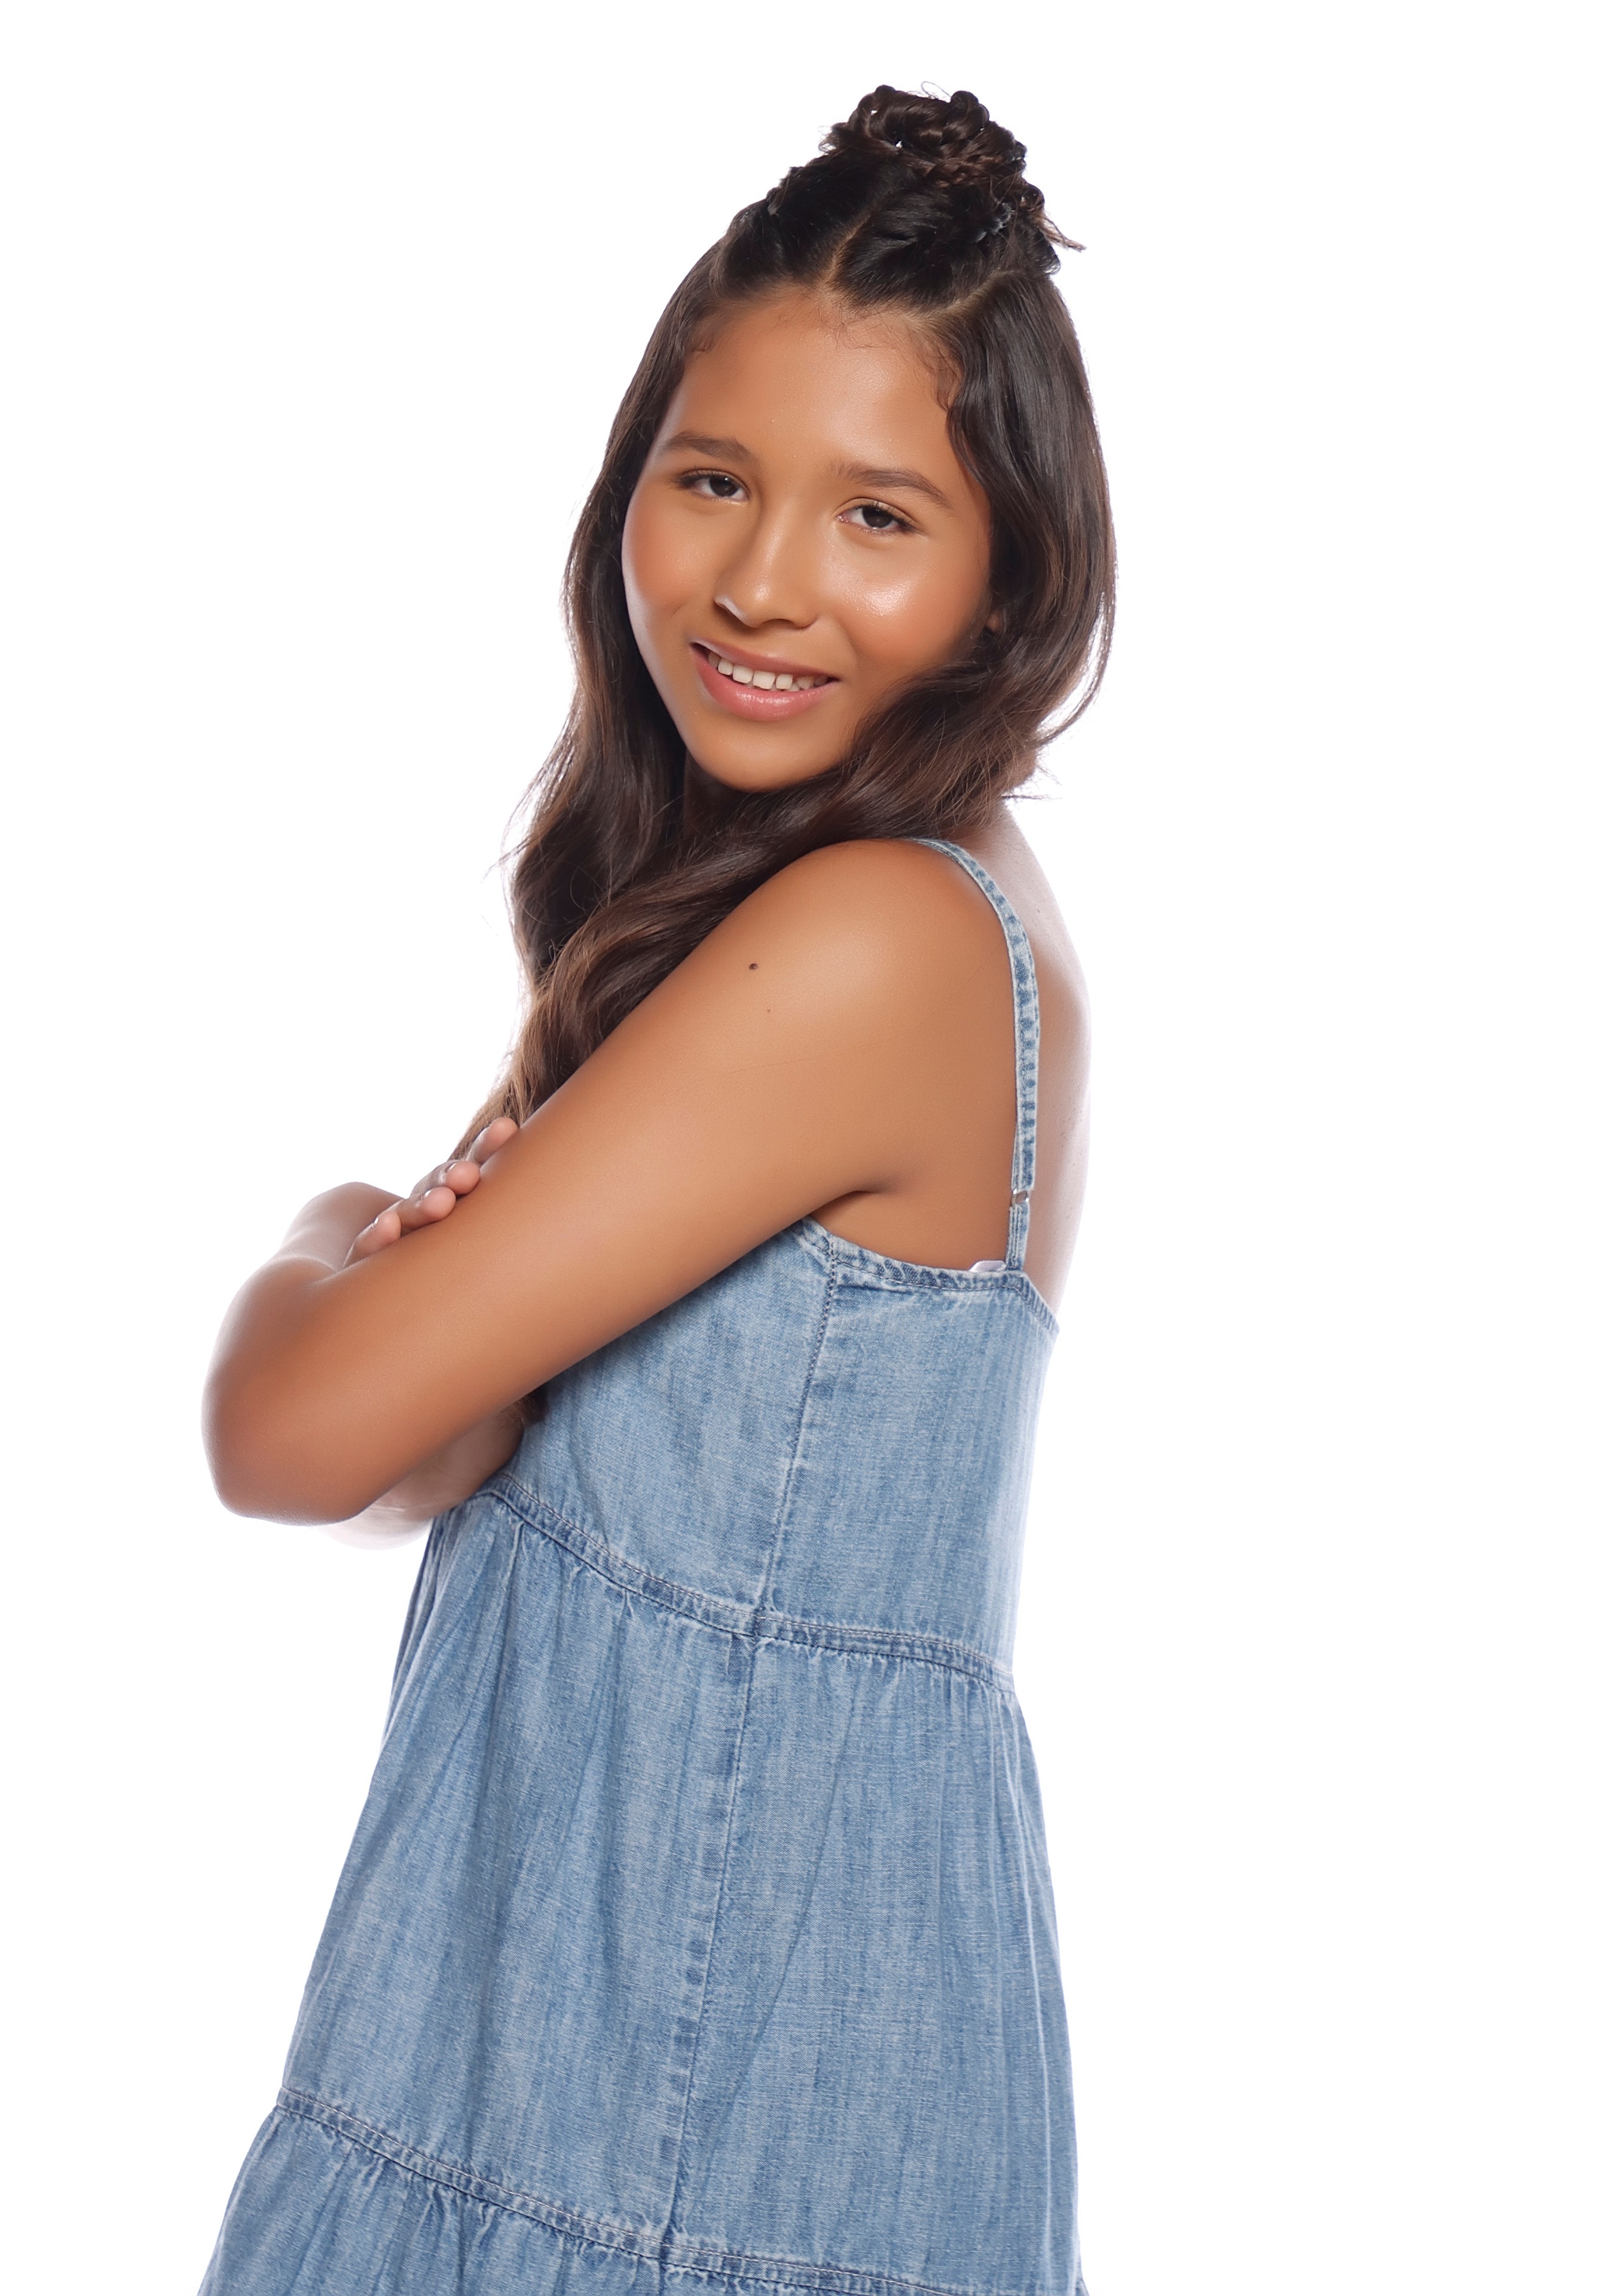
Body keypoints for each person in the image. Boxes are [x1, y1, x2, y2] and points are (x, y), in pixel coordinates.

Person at [199, 83, 1114, 2296]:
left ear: (1009, 573)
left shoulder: (873, 943)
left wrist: (332, 1223)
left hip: (679, 2097)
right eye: (711, 479)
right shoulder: (798, 902)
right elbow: (443, 1433)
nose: (762, 580)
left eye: (877, 514)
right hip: (621, 2048)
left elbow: (296, 1431)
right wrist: (413, 1343)